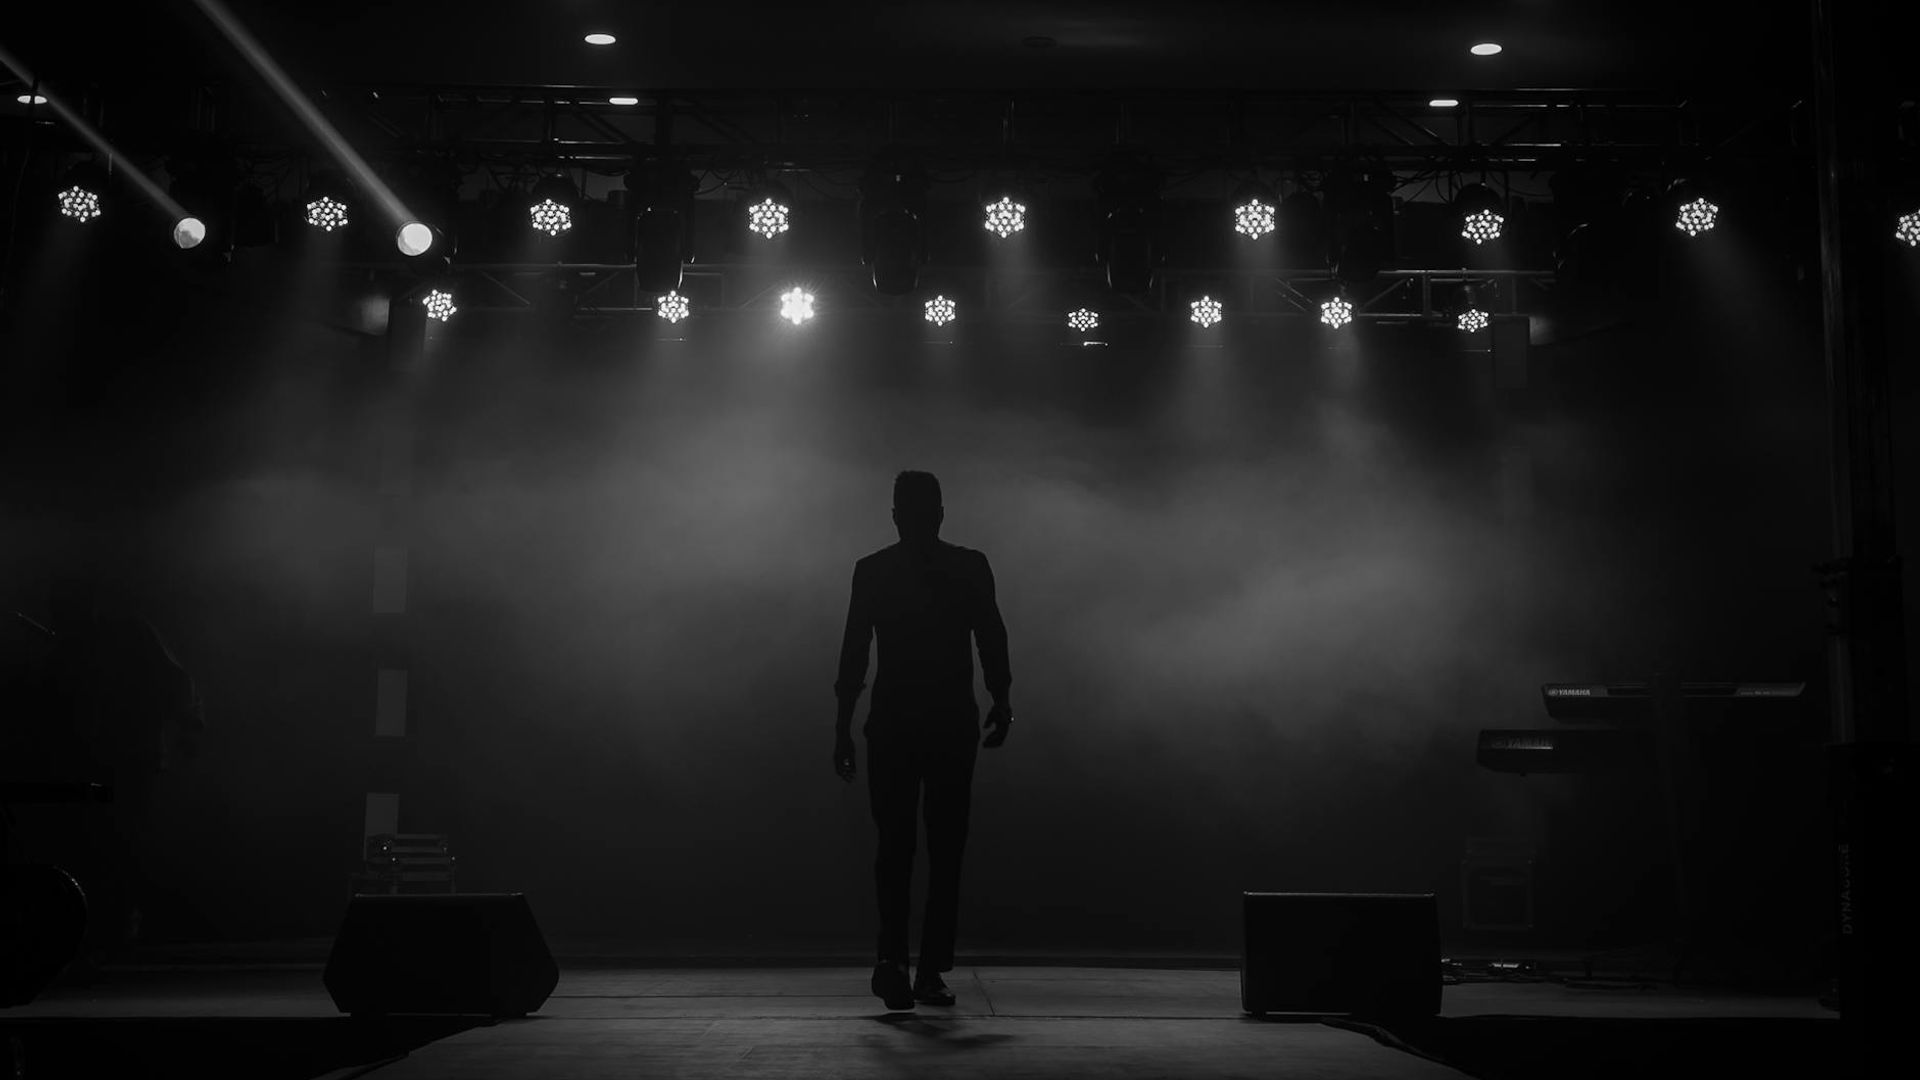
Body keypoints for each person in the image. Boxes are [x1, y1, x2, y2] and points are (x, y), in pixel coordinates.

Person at [834, 470, 1013, 1012]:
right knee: (944, 849)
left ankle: (894, 959)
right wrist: (1001, 699)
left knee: (896, 848)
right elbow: (991, 636)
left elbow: (855, 652)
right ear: (940, 512)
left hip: (893, 724)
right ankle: (928, 969)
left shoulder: (874, 571)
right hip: (948, 724)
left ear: (895, 514)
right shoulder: (968, 566)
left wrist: (842, 725)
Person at [32, 573, 205, 962]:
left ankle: (116, 929)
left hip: (125, 758)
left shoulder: (124, 633)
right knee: (100, 843)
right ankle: (104, 929)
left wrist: (190, 725)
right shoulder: (77, 645)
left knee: (118, 842)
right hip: (93, 761)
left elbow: (174, 681)